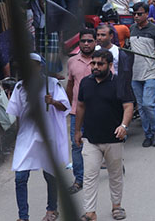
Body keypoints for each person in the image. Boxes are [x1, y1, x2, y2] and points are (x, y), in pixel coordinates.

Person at [7, 53, 70, 221]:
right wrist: (18, 138)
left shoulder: (52, 84)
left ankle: (52, 209)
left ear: (40, 66)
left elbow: (65, 107)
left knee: (50, 175)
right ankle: (23, 216)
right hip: (26, 137)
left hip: (48, 135)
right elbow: (18, 114)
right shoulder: (19, 87)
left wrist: (54, 102)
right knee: (20, 177)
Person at [75, 49, 134, 221]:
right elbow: (80, 106)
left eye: (100, 64)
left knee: (115, 175)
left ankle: (117, 206)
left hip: (113, 139)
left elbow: (128, 107)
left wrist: (124, 126)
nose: (95, 66)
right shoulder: (85, 83)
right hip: (91, 139)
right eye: (93, 63)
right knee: (90, 176)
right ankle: (90, 212)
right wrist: (78, 131)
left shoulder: (119, 83)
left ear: (109, 65)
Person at [65, 29, 96, 194]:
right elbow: (70, 86)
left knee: (102, 143)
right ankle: (79, 179)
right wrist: (73, 105)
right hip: (77, 112)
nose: (86, 44)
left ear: (95, 42)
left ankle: (114, 166)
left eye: (89, 41)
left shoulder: (101, 60)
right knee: (76, 146)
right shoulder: (71, 61)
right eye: (83, 41)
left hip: (98, 112)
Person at [130, 2, 155, 147]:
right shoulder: (131, 29)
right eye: (134, 14)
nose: (136, 16)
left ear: (146, 14)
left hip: (151, 72)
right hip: (135, 74)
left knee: (148, 104)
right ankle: (148, 134)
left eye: (139, 13)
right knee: (141, 106)